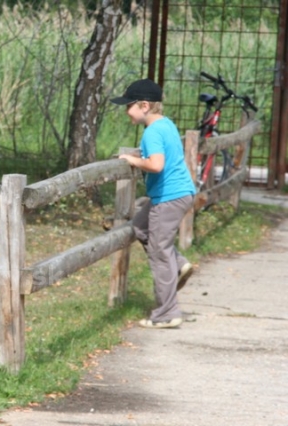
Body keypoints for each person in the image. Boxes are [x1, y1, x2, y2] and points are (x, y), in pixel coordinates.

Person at [111, 78, 196, 329]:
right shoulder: (166, 125)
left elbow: (156, 165)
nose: (126, 111)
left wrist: (133, 160)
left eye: (129, 106)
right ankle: (179, 264)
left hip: (168, 198)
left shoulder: (151, 132)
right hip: (178, 194)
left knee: (160, 254)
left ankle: (166, 313)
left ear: (144, 106)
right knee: (140, 227)